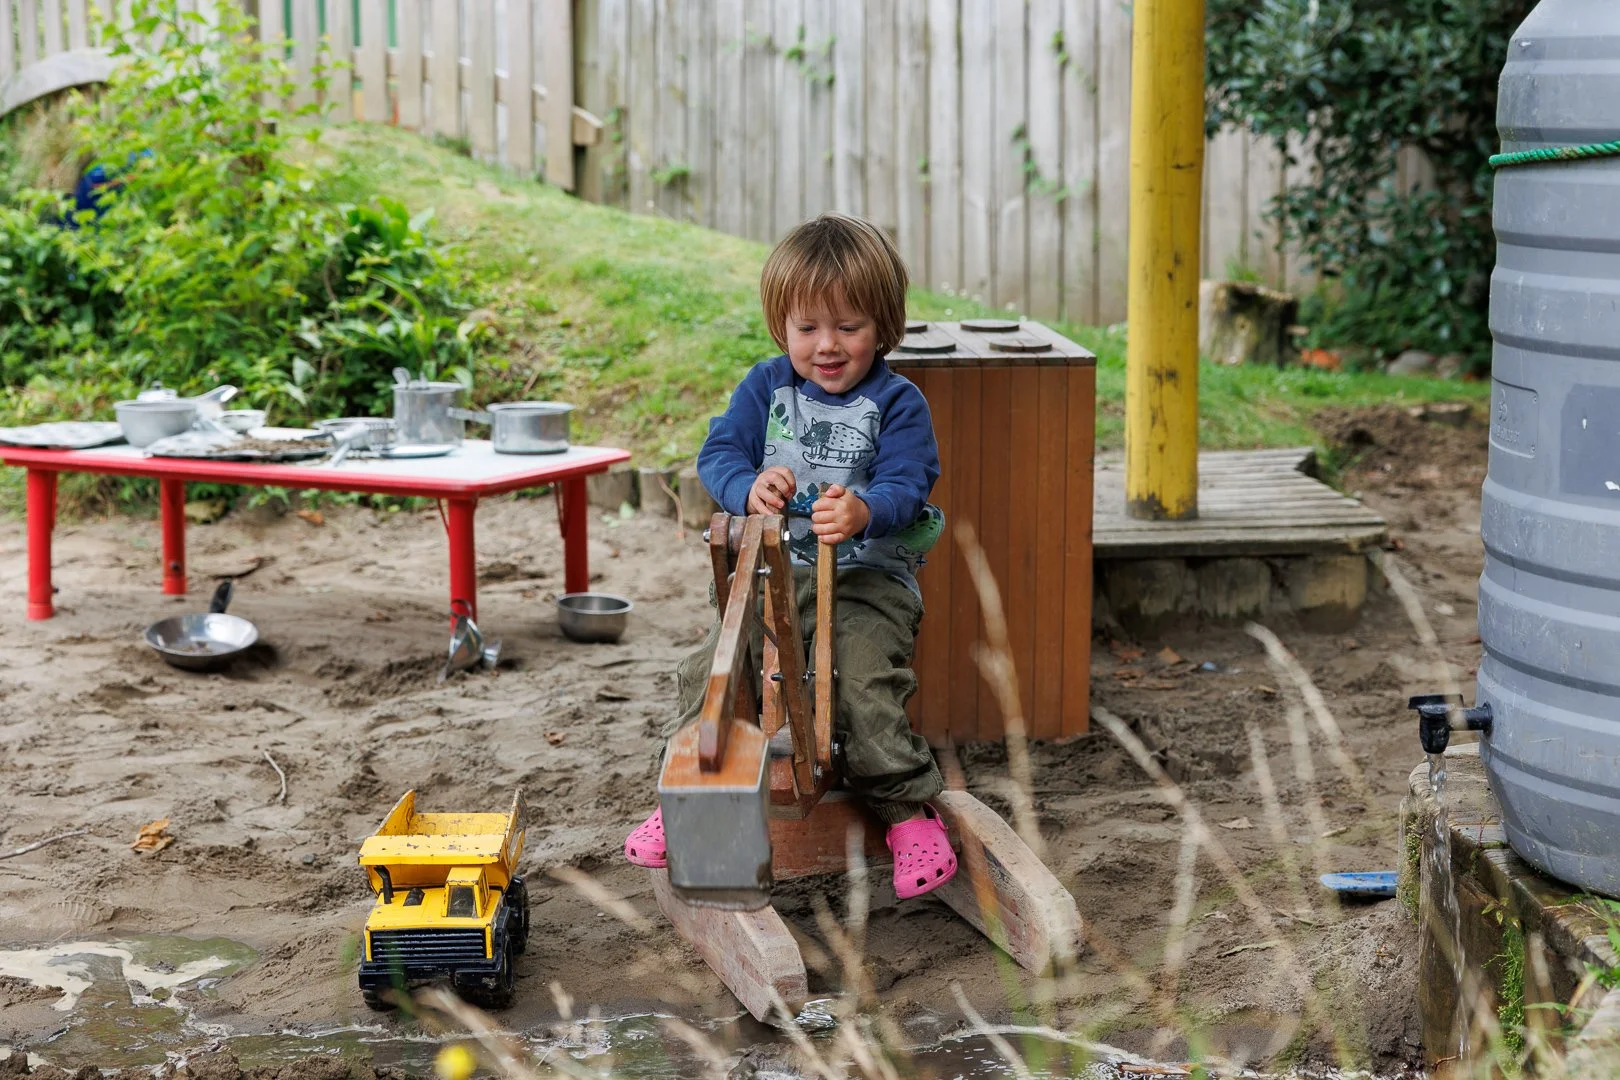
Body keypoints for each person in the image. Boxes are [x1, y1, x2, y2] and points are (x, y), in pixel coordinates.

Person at [622, 212, 957, 899]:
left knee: (861, 681)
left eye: (849, 327)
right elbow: (717, 455)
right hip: (776, 577)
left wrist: (865, 510)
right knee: (711, 672)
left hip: (866, 581)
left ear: (885, 326)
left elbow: (909, 480)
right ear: (783, 328)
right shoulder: (766, 388)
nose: (827, 346)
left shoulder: (898, 403)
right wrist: (747, 485)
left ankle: (906, 812)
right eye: (808, 328)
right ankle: (685, 798)